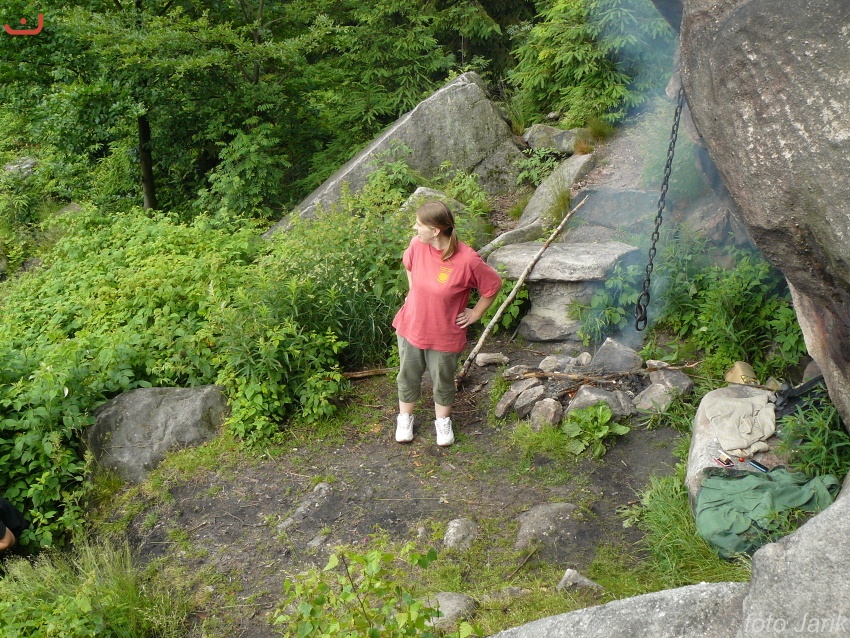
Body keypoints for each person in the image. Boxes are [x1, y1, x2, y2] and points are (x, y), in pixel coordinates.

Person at [392, 201, 502, 446]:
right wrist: (413, 292)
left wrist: (476, 313)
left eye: (418, 224)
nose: (414, 228)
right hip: (412, 325)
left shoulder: (467, 260)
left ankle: (442, 422)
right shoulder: (417, 245)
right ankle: (405, 418)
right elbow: (408, 265)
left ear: (435, 230)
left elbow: (493, 285)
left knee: (443, 380)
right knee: (408, 375)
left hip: (444, 333)